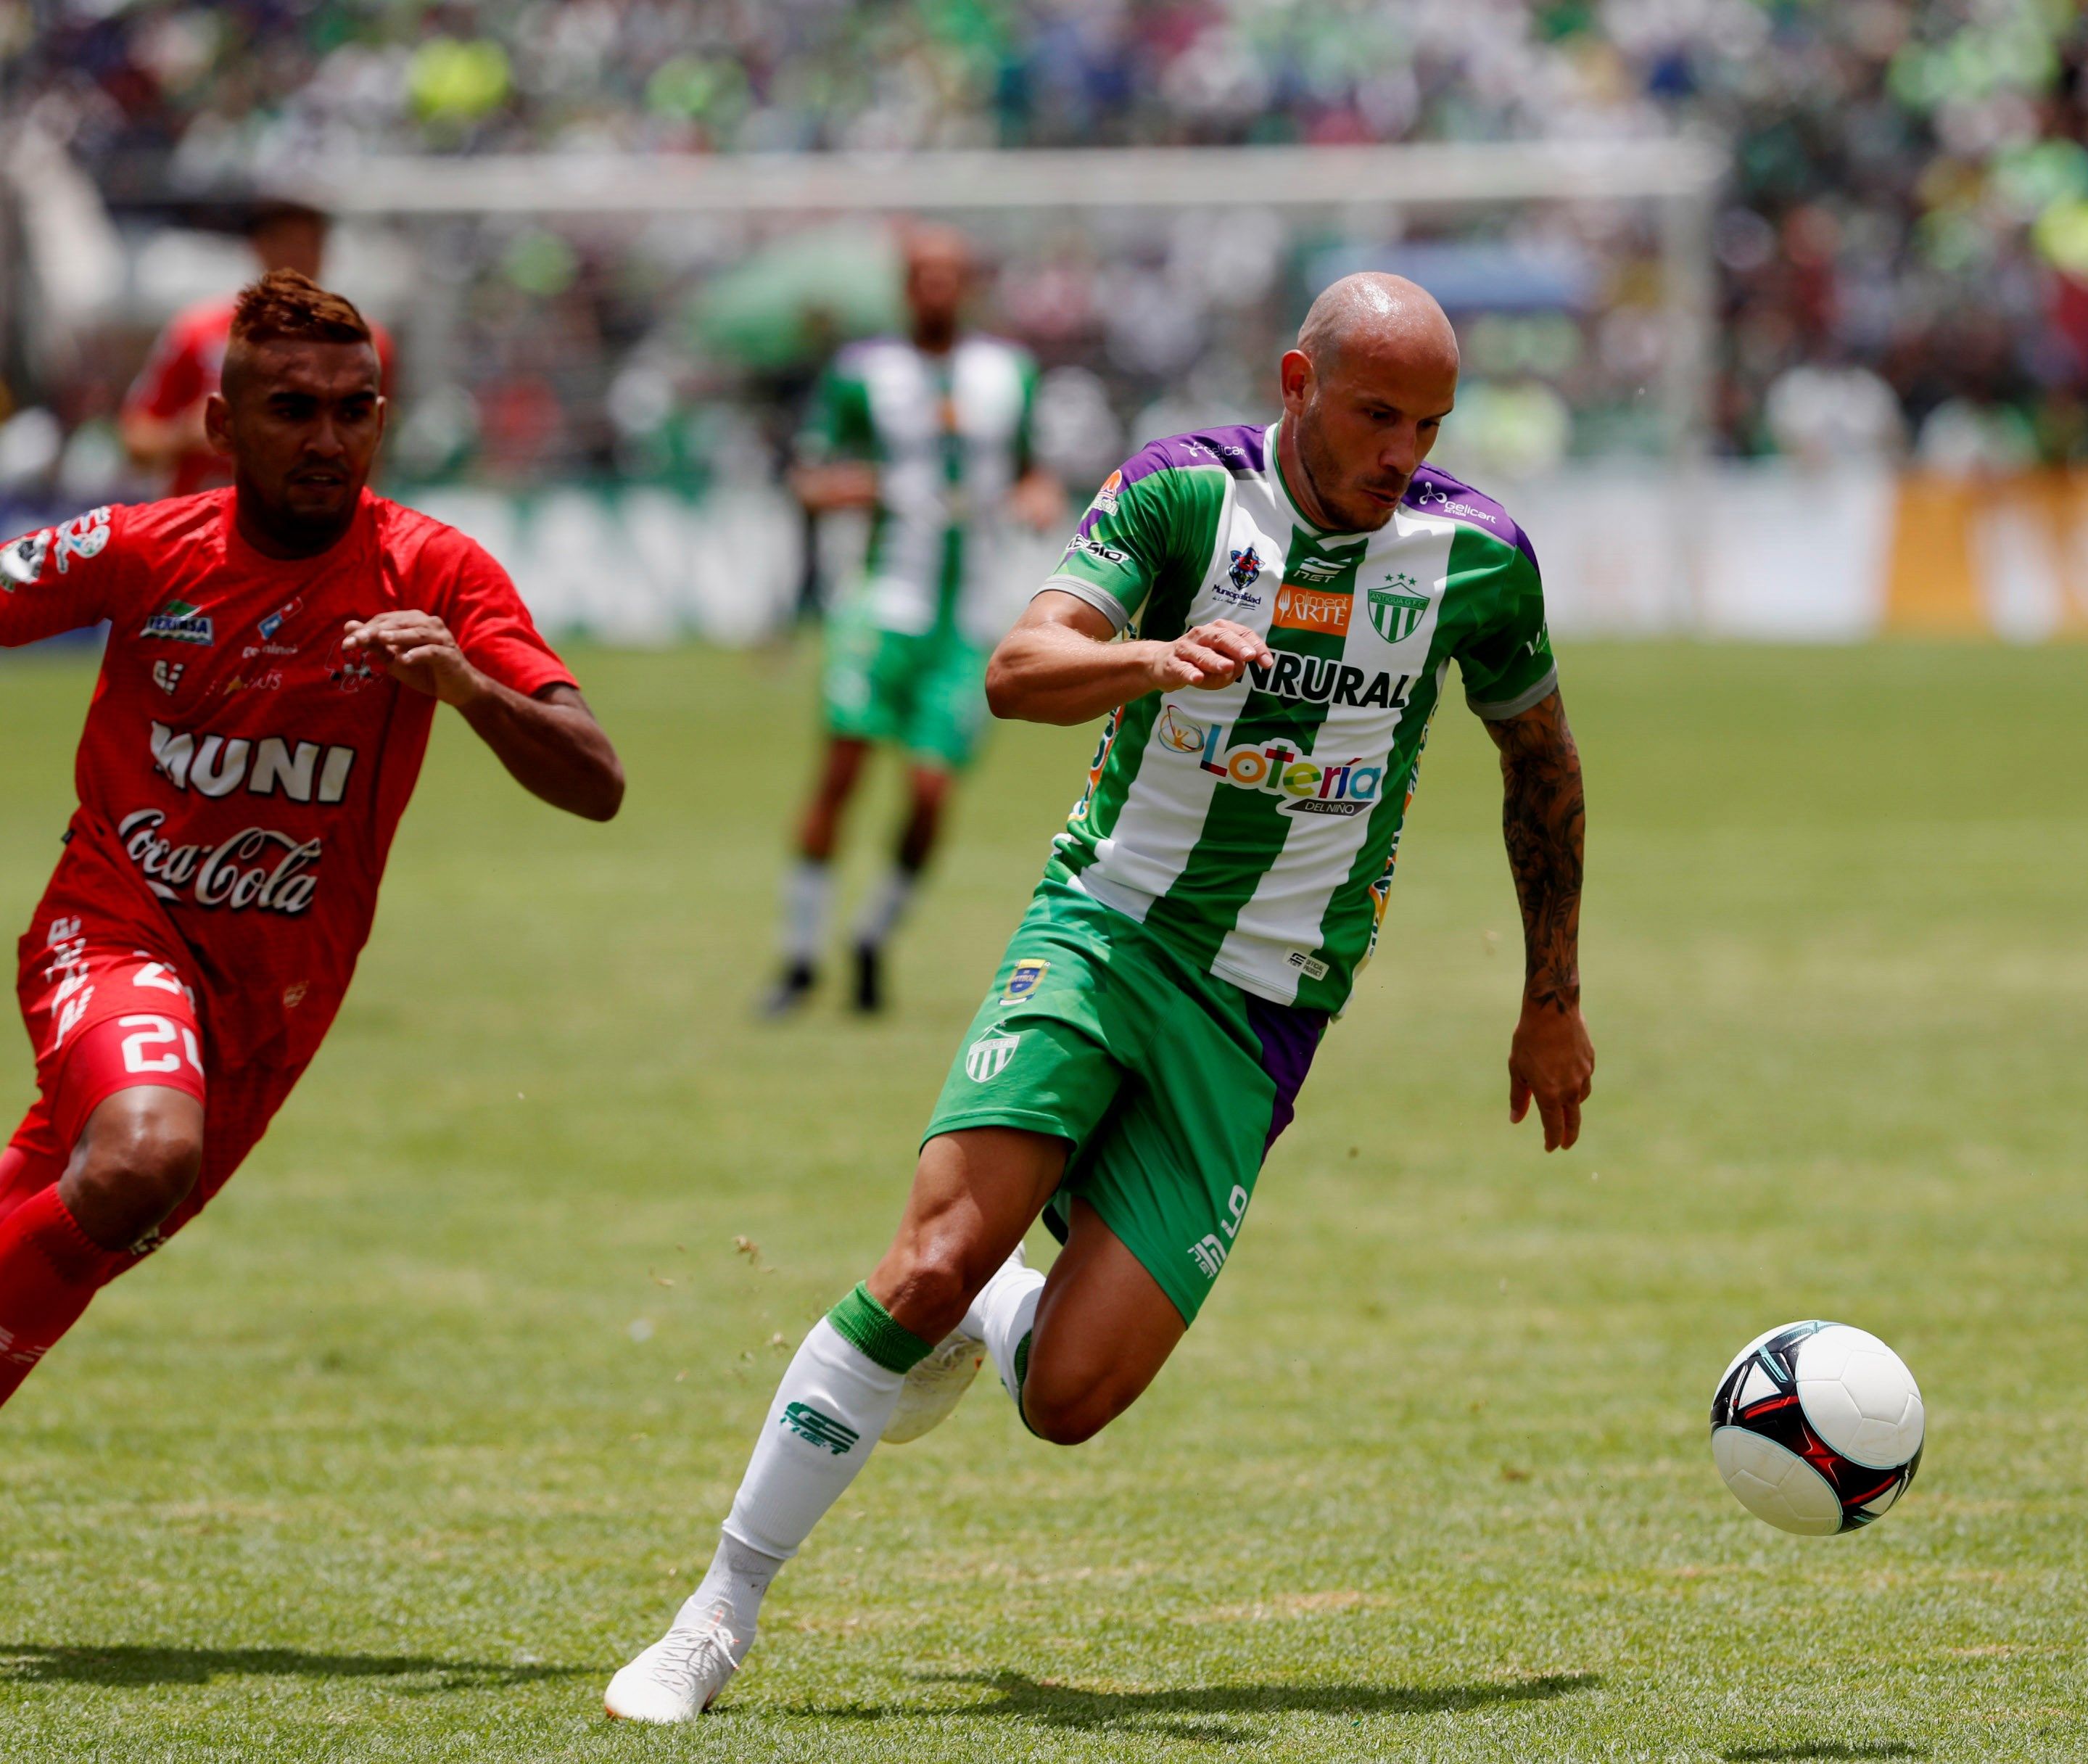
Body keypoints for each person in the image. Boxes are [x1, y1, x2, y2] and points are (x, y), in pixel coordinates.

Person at [604, 272, 1593, 1723]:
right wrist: (1151, 658)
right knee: (927, 1255)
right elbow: (1018, 668)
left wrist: (1551, 994)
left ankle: (997, 1315)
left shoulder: (1478, 557)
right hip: (1103, 930)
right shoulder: (1184, 498)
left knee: (1070, 1400)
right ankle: (719, 1611)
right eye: (1378, 413)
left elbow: (1544, 763)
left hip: (1266, 1005)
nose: (1403, 449)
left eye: (1428, 422)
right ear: (1299, 382)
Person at [0, 271, 623, 1409]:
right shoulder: (145, 549)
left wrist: (469, 688)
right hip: (113, 936)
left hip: (272, 1015)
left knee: (70, 1231)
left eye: (355, 408)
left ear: (383, 419)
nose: (328, 436)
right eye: (294, 409)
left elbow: (598, 784)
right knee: (142, 1159)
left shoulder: (437, 576)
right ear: (225, 427)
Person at [764, 227, 1062, 1017]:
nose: (936, 289)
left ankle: (872, 934)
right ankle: (799, 956)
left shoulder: (1009, 374)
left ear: (968, 286)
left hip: (968, 623)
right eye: (923, 276)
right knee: (843, 771)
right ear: (905, 287)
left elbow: (1032, 466)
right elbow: (811, 477)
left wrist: (1037, 492)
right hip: (882, 608)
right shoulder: (864, 373)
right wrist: (869, 488)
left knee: (932, 792)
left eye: (950, 276)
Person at [120, 199, 397, 500]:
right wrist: (188, 435)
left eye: (310, 243)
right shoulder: (197, 332)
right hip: (201, 528)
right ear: (257, 247)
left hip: (309, 526)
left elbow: (373, 452)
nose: (298, 255)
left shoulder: (364, 342)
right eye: (285, 242)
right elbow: (135, 441)